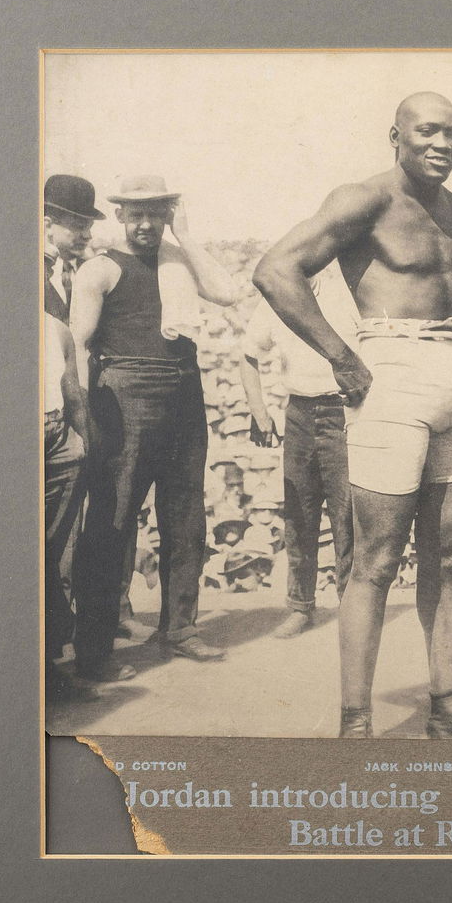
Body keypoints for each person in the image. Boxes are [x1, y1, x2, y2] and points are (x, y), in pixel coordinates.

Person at [253, 93, 452, 740]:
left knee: (448, 556)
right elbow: (275, 270)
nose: (443, 144)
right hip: (391, 373)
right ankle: (356, 724)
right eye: (428, 132)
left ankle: (448, 706)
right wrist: (339, 356)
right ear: (394, 135)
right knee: (374, 558)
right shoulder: (363, 199)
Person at [70, 175, 245, 682]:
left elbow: (228, 292)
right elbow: (79, 345)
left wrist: (187, 238)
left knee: (186, 514)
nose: (146, 224)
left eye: (157, 214)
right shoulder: (100, 269)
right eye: (136, 214)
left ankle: (179, 627)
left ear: (169, 214)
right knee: (113, 519)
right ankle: (95, 648)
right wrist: (82, 414)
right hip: (124, 392)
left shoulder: (178, 261)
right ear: (120, 216)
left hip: (183, 390)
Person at [237, 262, 359, 637]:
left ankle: (352, 612)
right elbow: (248, 353)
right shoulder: (276, 299)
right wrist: (259, 411)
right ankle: (301, 607)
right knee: (299, 515)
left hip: (347, 410)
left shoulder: (349, 292)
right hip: (300, 413)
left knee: (347, 516)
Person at [43, 312, 90, 701]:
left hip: (59, 438)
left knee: (55, 557)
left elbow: (71, 388)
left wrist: (82, 438)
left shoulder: (56, 328)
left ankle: (54, 668)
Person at [43, 174, 102, 323]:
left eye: (89, 227)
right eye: (79, 226)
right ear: (48, 225)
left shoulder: (91, 270)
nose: (88, 235)